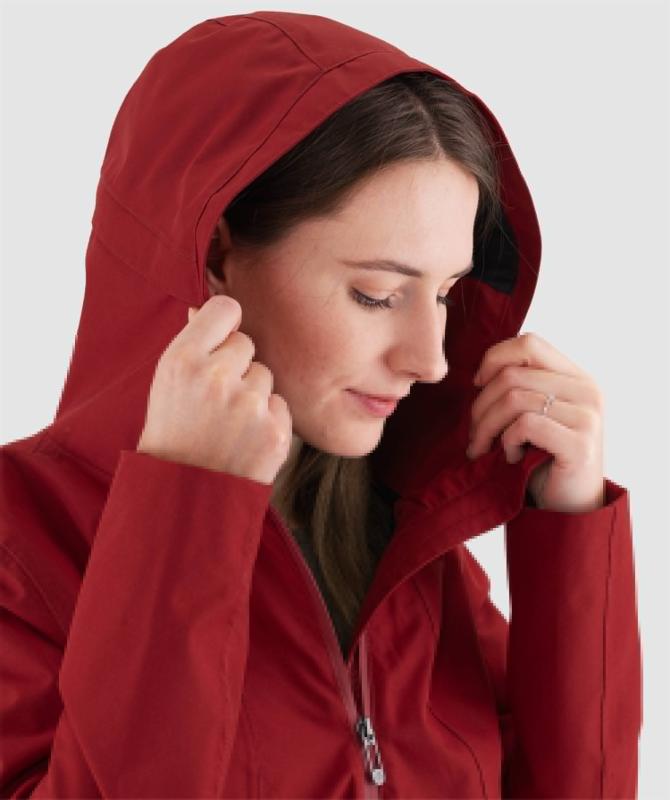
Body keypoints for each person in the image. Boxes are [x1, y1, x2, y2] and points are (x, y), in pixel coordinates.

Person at [0, 10, 642, 798]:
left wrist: (568, 528)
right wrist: (184, 509)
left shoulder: (406, 549)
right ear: (218, 256)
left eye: (445, 294)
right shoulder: (20, 540)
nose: (431, 359)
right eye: (377, 294)